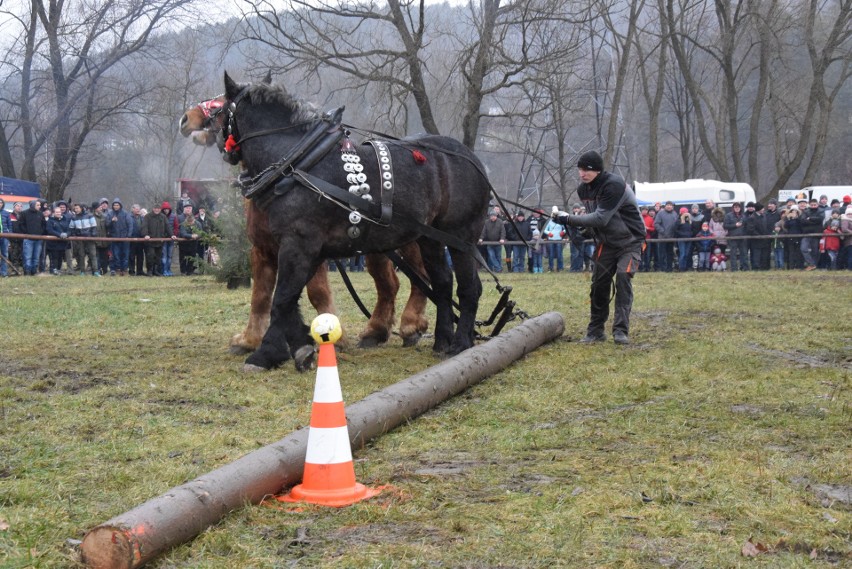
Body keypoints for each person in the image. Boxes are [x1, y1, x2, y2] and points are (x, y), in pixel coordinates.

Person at [552, 151, 645, 345]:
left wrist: (568, 218)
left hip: (630, 241)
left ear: (597, 170)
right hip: (607, 243)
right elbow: (593, 217)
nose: (582, 173)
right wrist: (584, 229)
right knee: (598, 285)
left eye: (586, 170)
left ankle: (620, 331)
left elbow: (601, 218)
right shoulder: (583, 190)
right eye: (580, 169)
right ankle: (595, 331)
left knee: (622, 278)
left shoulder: (614, 185)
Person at [141, 202, 171, 276]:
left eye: (158, 209)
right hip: (150, 240)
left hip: (160, 240)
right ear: (153, 209)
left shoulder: (163, 217)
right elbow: (144, 226)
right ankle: (149, 271)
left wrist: (172, 235)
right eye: (155, 208)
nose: (157, 210)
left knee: (158, 257)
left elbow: (168, 226)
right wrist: (145, 235)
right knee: (150, 256)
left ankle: (156, 270)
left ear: (160, 209)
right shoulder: (147, 217)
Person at [68, 203, 99, 275]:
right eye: (75, 209)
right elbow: (71, 227)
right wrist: (74, 234)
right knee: (81, 254)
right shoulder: (74, 217)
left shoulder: (89, 216)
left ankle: (95, 271)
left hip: (89, 238)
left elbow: (94, 226)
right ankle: (82, 271)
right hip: (80, 238)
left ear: (81, 208)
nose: (76, 210)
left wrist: (93, 235)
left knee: (93, 254)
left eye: (77, 208)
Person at [18, 200, 45, 276]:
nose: (40, 206)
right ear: (33, 205)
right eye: (38, 205)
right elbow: (21, 224)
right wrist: (27, 233)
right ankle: (27, 272)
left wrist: (40, 232)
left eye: (40, 205)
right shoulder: (24, 213)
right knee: (27, 256)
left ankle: (34, 271)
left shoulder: (40, 214)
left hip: (38, 239)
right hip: (28, 238)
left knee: (36, 257)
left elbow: (43, 224)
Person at [107, 198, 133, 275]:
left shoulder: (125, 214)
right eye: (114, 205)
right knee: (116, 254)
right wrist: (112, 221)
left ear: (120, 205)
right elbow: (107, 225)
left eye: (117, 205)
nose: (116, 206)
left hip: (125, 238)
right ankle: (117, 269)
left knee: (125, 254)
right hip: (114, 237)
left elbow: (130, 225)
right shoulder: (110, 214)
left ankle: (124, 269)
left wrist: (128, 236)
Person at [177, 203, 201, 275]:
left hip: (193, 244)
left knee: (192, 258)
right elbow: (183, 233)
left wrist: (197, 235)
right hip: (184, 244)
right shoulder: (183, 224)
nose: (191, 223)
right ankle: (183, 271)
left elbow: (201, 232)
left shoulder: (197, 223)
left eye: (192, 221)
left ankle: (189, 271)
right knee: (183, 258)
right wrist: (191, 236)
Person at [45, 206, 71, 275]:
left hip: (62, 243)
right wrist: (59, 234)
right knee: (54, 257)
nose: (58, 213)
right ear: (54, 213)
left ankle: (58, 269)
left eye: (59, 212)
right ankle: (54, 269)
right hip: (53, 243)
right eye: (57, 212)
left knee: (60, 257)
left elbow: (69, 229)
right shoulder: (50, 221)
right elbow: (50, 230)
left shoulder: (64, 220)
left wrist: (66, 234)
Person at [723, 202, 749, 271]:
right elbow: (725, 226)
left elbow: (746, 226)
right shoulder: (728, 216)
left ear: (740, 208)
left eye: (738, 207)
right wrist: (735, 225)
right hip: (733, 238)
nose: (737, 208)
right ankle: (734, 269)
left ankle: (744, 268)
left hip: (742, 238)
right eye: (735, 207)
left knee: (744, 253)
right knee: (733, 254)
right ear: (733, 208)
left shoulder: (743, 216)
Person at [799, 198, 824, 270]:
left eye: (814, 205)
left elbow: (820, 219)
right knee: (803, 248)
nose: (813, 206)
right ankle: (812, 264)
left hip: (816, 234)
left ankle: (814, 266)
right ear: (809, 205)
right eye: (812, 205)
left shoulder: (821, 211)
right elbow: (803, 221)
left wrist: (809, 219)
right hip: (806, 233)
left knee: (815, 251)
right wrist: (814, 221)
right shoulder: (806, 211)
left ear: (817, 204)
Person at [653, 201, 677, 272]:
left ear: (672, 206)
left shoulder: (675, 214)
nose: (669, 206)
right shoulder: (660, 213)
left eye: (670, 205)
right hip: (662, 238)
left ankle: (669, 268)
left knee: (670, 253)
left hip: (671, 238)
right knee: (662, 253)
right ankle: (662, 268)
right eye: (668, 205)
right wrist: (663, 231)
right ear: (665, 206)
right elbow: (656, 224)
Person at [566, 203, 585, 272]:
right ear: (573, 209)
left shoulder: (583, 217)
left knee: (580, 254)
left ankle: (579, 268)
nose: (576, 209)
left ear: (579, 209)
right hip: (574, 238)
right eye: (575, 208)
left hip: (581, 238)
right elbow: (568, 227)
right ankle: (573, 269)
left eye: (577, 208)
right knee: (574, 254)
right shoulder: (570, 217)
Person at [160, 201, 177, 276]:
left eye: (167, 209)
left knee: (169, 256)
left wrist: (174, 235)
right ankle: (164, 270)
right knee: (164, 256)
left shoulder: (173, 216)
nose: (166, 210)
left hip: (171, 239)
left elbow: (176, 227)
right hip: (163, 239)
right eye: (164, 209)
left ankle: (168, 269)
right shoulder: (160, 216)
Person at [675, 207, 694, 271]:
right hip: (681, 239)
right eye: (684, 212)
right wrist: (682, 234)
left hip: (689, 239)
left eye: (686, 212)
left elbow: (692, 230)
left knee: (686, 254)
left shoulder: (690, 221)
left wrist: (690, 234)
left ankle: (685, 267)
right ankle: (681, 268)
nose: (685, 214)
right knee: (682, 254)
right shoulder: (678, 221)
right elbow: (675, 230)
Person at [128, 204, 145, 276]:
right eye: (136, 208)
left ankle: (140, 271)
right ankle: (131, 270)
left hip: (141, 240)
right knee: (131, 256)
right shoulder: (129, 217)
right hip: (132, 239)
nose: (138, 210)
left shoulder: (142, 218)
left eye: (139, 209)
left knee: (140, 256)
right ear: (132, 209)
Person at [0, 198, 11, 277]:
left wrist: (9, 235)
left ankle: (3, 272)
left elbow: (9, 225)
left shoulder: (6, 213)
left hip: (4, 236)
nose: (0, 204)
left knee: (4, 254)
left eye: (1, 203)